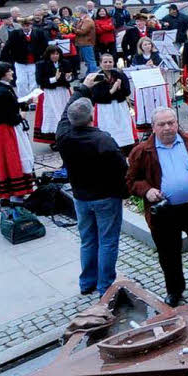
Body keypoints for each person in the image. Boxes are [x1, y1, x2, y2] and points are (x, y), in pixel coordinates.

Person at [126, 108, 188, 306]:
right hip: (164, 212)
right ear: (153, 127)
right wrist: (146, 190)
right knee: (168, 253)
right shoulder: (142, 151)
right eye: (162, 124)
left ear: (177, 123)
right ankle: (174, 290)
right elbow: (130, 181)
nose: (167, 128)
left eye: (171, 123)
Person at [56, 96, 128, 296]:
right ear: (92, 116)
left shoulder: (63, 137)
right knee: (107, 241)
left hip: (81, 197)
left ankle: (87, 283)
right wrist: (124, 192)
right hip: (105, 197)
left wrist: (80, 90)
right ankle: (105, 285)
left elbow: (63, 117)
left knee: (87, 240)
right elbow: (121, 167)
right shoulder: (102, 139)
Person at [0, 62, 35, 202]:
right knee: (13, 158)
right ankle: (16, 193)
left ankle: (9, 193)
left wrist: (23, 103)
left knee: (6, 160)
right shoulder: (2, 92)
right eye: (9, 71)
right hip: (5, 130)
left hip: (0, 128)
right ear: (2, 74)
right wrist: (24, 111)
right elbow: (11, 117)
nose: (12, 72)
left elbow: (8, 108)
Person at [91, 53, 136, 148]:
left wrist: (119, 89)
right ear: (100, 63)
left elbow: (127, 91)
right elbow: (96, 96)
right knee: (107, 125)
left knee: (122, 125)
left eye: (110, 62)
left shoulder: (119, 75)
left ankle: (125, 144)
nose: (108, 64)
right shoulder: (96, 77)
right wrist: (113, 89)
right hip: (104, 107)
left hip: (120, 105)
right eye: (105, 62)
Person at [33, 45, 74, 145]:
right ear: (48, 55)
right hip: (50, 93)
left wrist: (68, 77)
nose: (55, 56)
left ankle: (67, 135)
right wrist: (54, 79)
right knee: (53, 114)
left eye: (57, 54)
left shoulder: (65, 63)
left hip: (63, 92)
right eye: (53, 54)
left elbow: (70, 78)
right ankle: (54, 138)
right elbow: (40, 81)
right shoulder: (41, 65)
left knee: (64, 113)